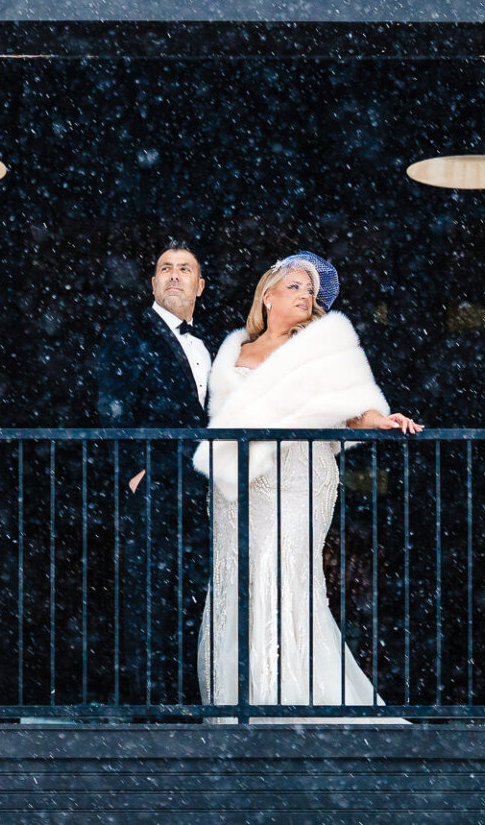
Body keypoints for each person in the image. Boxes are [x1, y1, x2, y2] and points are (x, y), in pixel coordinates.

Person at [193, 252, 423, 720]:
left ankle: (289, 695)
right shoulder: (232, 349)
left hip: (299, 476)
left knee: (286, 577)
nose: (305, 296)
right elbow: (215, 417)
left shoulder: (316, 349)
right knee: (238, 577)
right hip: (239, 485)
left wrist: (381, 419)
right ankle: (240, 697)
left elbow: (352, 405)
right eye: (296, 286)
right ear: (269, 293)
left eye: (311, 292)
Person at [92, 244, 214, 707]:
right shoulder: (128, 332)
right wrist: (133, 473)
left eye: (185, 270)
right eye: (165, 269)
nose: (175, 276)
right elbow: (112, 405)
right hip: (157, 486)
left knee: (193, 602)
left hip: (201, 490)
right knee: (150, 602)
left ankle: (187, 706)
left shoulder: (207, 346)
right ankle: (152, 714)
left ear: (200, 286)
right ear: (153, 283)